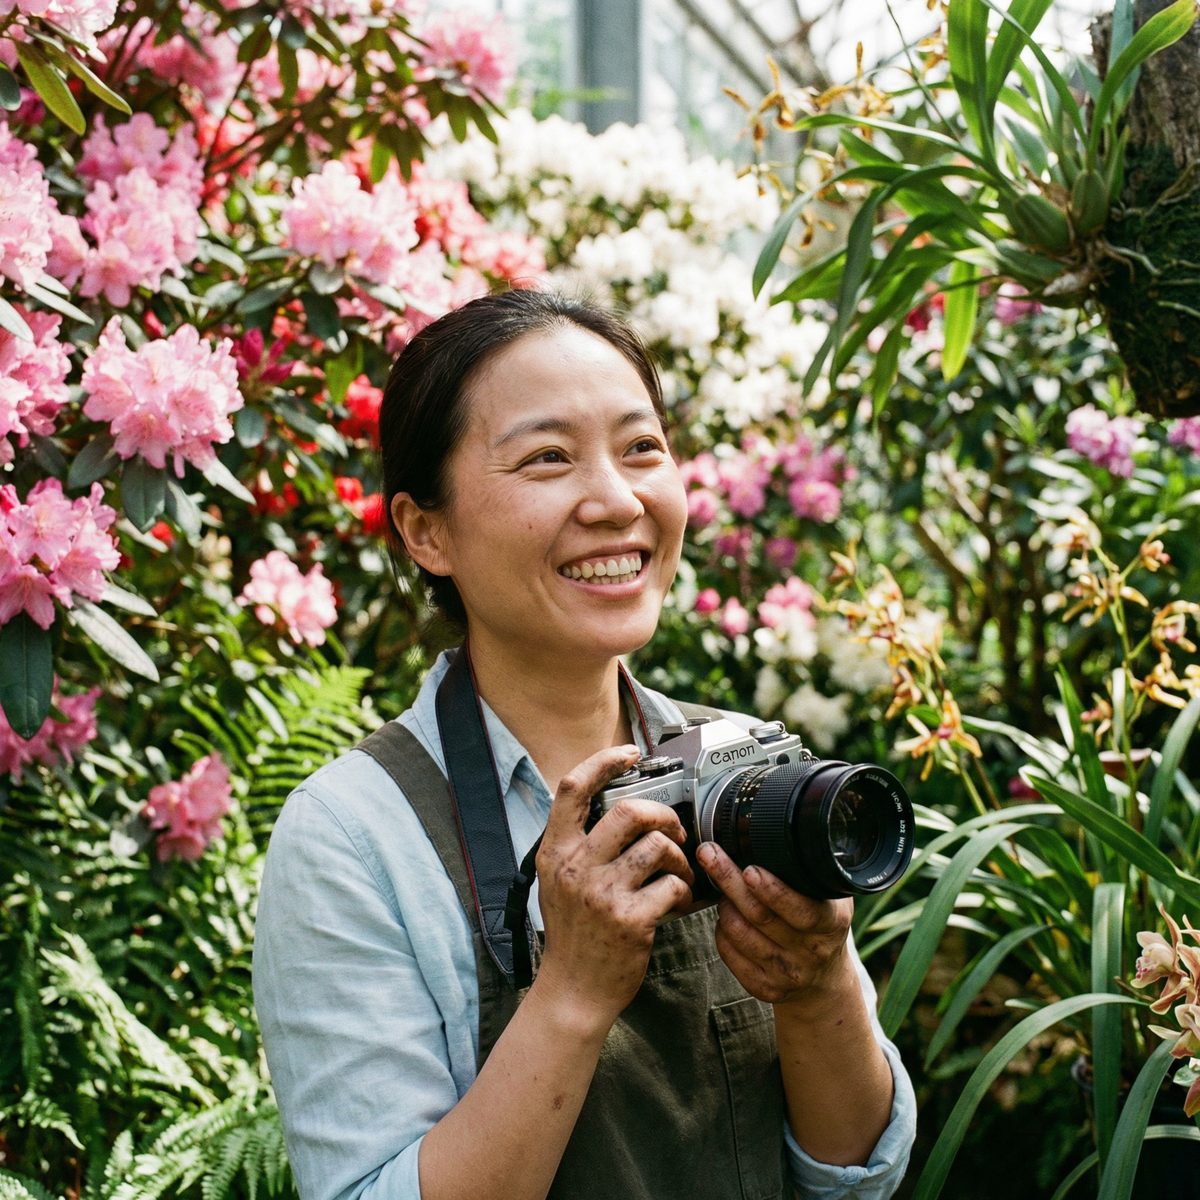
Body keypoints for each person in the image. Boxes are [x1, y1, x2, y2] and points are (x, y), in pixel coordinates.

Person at [253, 289, 917, 1200]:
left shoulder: (748, 768)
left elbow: (855, 1178)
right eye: (548, 457)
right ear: (425, 530)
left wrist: (816, 988)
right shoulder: (353, 837)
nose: (615, 498)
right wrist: (571, 993)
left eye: (642, 447)